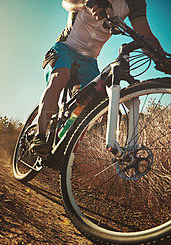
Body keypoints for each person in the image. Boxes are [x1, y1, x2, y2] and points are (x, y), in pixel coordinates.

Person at [30, 0, 164, 155]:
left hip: (90, 60)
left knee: (94, 99)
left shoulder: (135, 3)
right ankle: (39, 136)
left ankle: (64, 140)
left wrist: (162, 58)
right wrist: (87, 2)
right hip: (65, 47)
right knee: (60, 76)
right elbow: (67, 3)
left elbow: (145, 35)